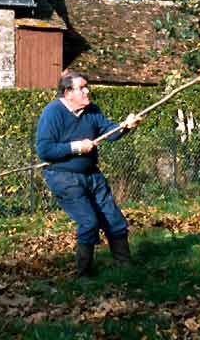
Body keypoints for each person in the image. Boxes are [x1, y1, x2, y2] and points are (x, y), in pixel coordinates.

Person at [36, 71, 142, 278]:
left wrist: (125, 126)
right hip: (63, 176)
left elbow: (108, 131)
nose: (87, 91)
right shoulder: (52, 113)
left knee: (114, 220)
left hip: (92, 174)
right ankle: (83, 275)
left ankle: (125, 268)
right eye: (82, 88)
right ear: (68, 93)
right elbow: (45, 150)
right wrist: (76, 147)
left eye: (87, 86)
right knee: (89, 222)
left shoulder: (91, 110)